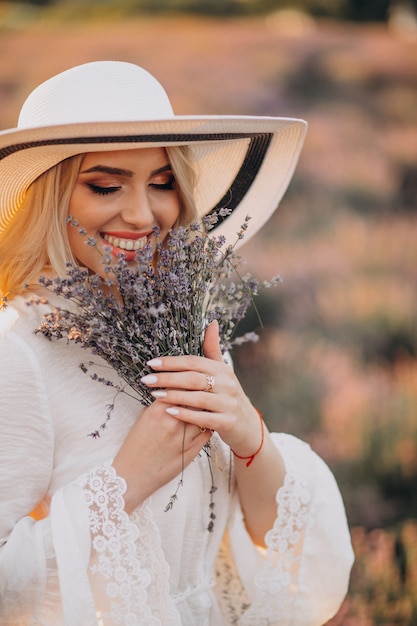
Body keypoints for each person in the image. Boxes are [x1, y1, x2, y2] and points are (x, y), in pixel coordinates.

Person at [0, 61, 354, 626]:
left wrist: (248, 437)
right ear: (49, 198)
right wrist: (125, 483)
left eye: (162, 183)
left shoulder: (180, 329)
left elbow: (273, 538)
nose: (143, 214)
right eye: (105, 184)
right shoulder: (19, 355)